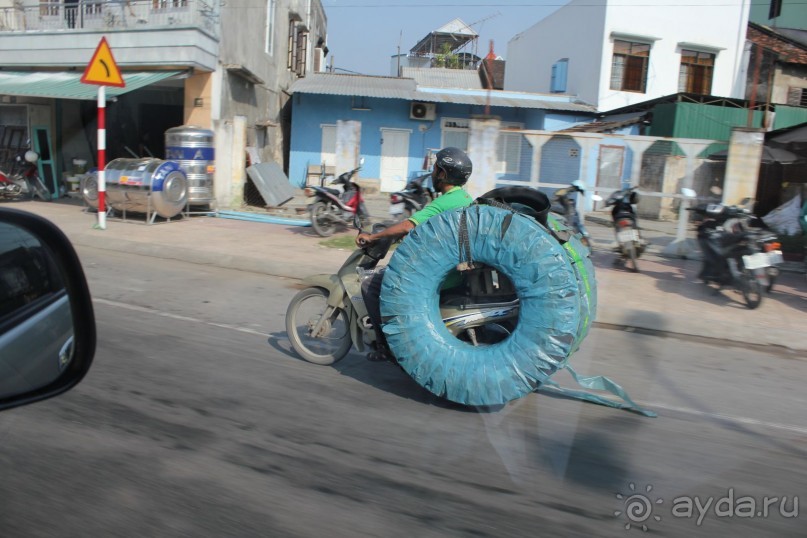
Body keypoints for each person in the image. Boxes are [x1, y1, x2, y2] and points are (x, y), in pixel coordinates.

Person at [356, 147, 474, 362]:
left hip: (439, 276)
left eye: (436, 168)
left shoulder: (444, 202)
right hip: (454, 271)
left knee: (371, 285)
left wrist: (374, 237)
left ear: (443, 174)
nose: (433, 173)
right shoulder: (465, 198)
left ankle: (386, 345)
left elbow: (409, 225)